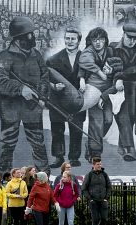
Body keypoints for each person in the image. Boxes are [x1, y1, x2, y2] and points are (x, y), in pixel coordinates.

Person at [0, 16, 51, 176]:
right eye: (29, 34)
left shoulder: (36, 55)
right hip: (10, 109)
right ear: (19, 38)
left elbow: (45, 75)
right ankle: (3, 176)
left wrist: (42, 95)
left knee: (38, 143)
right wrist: (21, 88)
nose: (33, 37)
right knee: (7, 144)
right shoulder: (4, 57)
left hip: (32, 108)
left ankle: (44, 176)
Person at [78, 27, 124, 161]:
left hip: (108, 92)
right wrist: (82, 79)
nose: (98, 42)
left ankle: (93, 142)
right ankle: (95, 152)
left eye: (101, 39)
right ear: (91, 41)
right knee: (96, 122)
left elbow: (119, 66)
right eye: (95, 39)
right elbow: (83, 65)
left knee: (108, 120)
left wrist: (116, 74)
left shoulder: (110, 51)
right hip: (93, 90)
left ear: (105, 40)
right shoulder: (88, 52)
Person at [109, 23, 136, 161]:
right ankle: (130, 149)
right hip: (114, 89)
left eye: (135, 38)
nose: (132, 41)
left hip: (134, 92)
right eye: (129, 37)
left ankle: (123, 146)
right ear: (123, 34)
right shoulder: (112, 48)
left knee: (128, 114)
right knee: (125, 113)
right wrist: (117, 80)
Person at [46, 27, 85, 168]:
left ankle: (74, 157)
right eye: (67, 38)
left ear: (79, 41)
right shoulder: (53, 59)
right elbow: (44, 79)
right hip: (58, 99)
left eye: (73, 39)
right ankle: (58, 157)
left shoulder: (86, 58)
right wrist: (53, 86)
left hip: (78, 100)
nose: (70, 41)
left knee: (77, 128)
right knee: (57, 129)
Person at [82, 157, 111, 225]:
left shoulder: (104, 174)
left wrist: (106, 198)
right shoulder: (89, 175)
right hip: (93, 201)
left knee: (104, 219)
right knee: (95, 220)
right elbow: (84, 188)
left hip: (103, 201)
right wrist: (90, 199)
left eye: (100, 164)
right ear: (94, 165)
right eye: (98, 164)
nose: (100, 166)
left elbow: (109, 187)